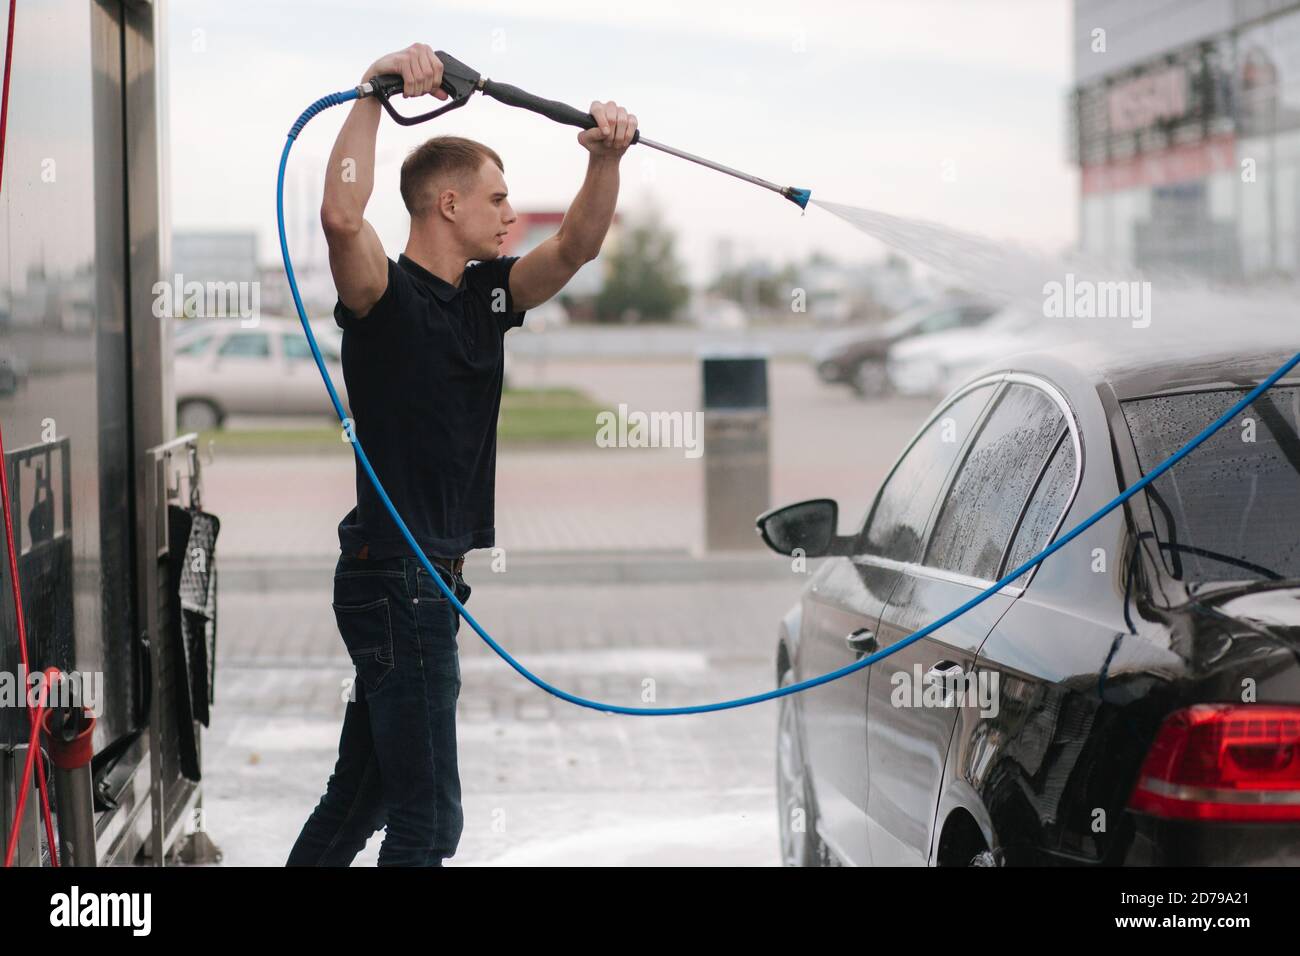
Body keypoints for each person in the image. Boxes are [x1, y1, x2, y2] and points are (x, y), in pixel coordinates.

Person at [286, 43, 636, 866]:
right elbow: (342, 218)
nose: (512, 214)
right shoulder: (380, 291)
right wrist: (375, 89)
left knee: (364, 794)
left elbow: (578, 246)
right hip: (393, 579)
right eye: (498, 198)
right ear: (447, 203)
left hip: (425, 576)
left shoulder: (488, 298)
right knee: (429, 823)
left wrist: (606, 158)